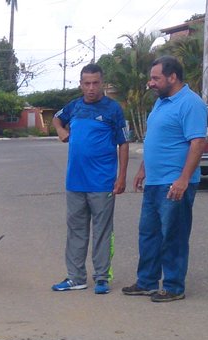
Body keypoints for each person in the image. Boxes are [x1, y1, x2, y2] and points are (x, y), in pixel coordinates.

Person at [124, 55, 207, 303]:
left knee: (173, 234)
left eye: (155, 78)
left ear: (172, 77)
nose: (151, 83)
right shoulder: (161, 102)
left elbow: (198, 142)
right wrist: (143, 170)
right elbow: (155, 140)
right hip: (154, 182)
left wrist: (184, 179)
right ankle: (147, 281)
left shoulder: (190, 103)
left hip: (175, 183)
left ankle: (173, 285)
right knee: (148, 233)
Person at [51, 63, 129, 295]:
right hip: (75, 182)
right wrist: (61, 131)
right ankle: (76, 278)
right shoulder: (74, 107)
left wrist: (121, 177)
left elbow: (123, 144)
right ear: (81, 84)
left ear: (102, 83)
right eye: (87, 83)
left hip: (102, 182)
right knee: (76, 231)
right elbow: (57, 119)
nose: (91, 88)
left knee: (102, 231)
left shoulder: (113, 110)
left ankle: (102, 277)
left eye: (96, 83)